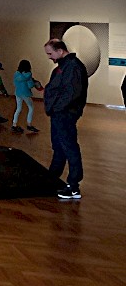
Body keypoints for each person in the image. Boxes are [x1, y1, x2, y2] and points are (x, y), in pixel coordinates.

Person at [43, 38, 88, 200]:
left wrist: (56, 108)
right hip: (60, 113)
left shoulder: (73, 66)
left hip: (65, 114)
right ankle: (52, 178)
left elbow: (71, 93)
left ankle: (73, 186)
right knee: (60, 146)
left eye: (50, 53)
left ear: (60, 51)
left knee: (69, 147)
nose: (49, 57)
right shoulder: (65, 66)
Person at [11, 59, 42, 134]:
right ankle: (29, 125)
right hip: (25, 93)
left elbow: (14, 83)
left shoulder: (16, 74)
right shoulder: (28, 75)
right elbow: (30, 85)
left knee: (18, 108)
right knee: (31, 107)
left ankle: (14, 125)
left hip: (18, 93)